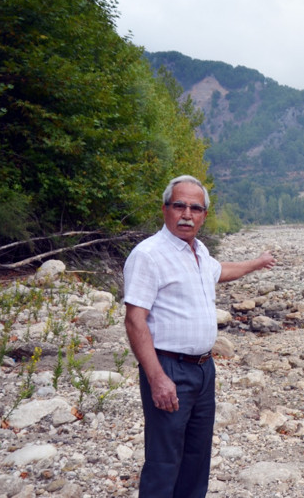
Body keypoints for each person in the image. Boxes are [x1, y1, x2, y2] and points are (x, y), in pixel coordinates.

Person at [123, 175, 275, 498]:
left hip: (204, 370)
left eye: (195, 207)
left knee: (196, 462)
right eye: (179, 205)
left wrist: (257, 263)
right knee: (164, 463)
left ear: (204, 215)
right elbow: (135, 321)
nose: (187, 214)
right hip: (169, 368)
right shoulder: (148, 255)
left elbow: (222, 271)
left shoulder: (199, 252)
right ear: (165, 209)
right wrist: (156, 378)